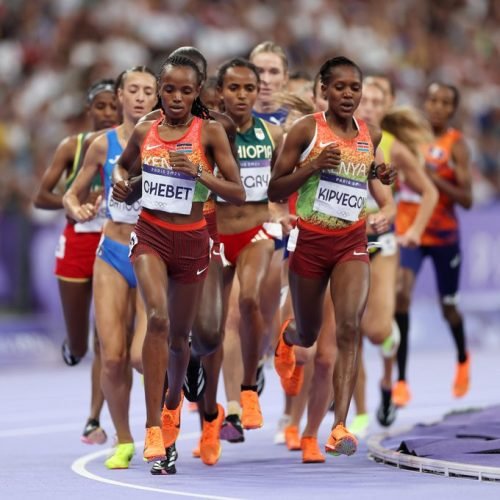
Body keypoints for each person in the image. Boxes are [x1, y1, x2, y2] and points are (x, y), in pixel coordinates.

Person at [112, 54, 245, 466]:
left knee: (181, 339)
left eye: (185, 91)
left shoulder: (210, 133)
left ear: (197, 92)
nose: (175, 97)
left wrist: (199, 173)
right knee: (157, 318)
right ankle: (153, 427)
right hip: (150, 235)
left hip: (192, 241)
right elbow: (122, 167)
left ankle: (172, 407)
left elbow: (237, 192)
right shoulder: (144, 129)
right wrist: (123, 185)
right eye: (168, 89)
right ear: (159, 89)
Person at [269, 56, 395, 457]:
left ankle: (338, 426)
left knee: (347, 328)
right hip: (310, 243)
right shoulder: (307, 129)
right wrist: (312, 166)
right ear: (323, 90)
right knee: (307, 335)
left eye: (354, 88)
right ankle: (287, 338)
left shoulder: (369, 135)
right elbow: (275, 189)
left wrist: (381, 176)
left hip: (351, 242)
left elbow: (363, 174)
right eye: (339, 87)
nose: (347, 94)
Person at [63, 66, 157, 469]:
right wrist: (78, 207)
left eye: (147, 91)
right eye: (132, 90)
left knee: (141, 357)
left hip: (153, 251)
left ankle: (158, 426)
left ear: (157, 98)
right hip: (113, 252)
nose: (139, 97)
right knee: (114, 357)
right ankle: (124, 439)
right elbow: (71, 192)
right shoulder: (102, 145)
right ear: (119, 95)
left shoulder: (169, 139)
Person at [350, 79, 438, 436]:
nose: (368, 106)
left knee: (374, 330)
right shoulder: (339, 137)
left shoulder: (393, 147)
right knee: (347, 329)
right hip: (344, 242)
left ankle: (388, 375)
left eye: (376, 101)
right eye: (363, 100)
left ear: (387, 106)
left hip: (383, 245)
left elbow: (428, 192)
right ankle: (356, 412)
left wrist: (413, 229)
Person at [33, 79, 119, 444]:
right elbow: (41, 197)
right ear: (89, 111)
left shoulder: (136, 143)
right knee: (82, 345)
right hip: (77, 242)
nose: (107, 113)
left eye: (113, 106)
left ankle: (94, 419)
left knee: (106, 337)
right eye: (100, 106)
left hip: (113, 242)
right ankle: (72, 345)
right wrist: (75, 201)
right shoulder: (74, 146)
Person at [214, 57, 283, 439]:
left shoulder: (273, 136)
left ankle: (248, 388)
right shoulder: (208, 133)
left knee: (250, 302)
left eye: (249, 88)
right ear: (220, 92)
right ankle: (229, 412)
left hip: (255, 232)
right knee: (216, 326)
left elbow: (283, 184)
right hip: (215, 235)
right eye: (234, 88)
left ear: (258, 92)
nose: (242, 95)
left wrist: (280, 208)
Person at [394, 82, 473, 406]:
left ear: (452, 110)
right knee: (401, 295)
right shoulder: (405, 141)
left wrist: (431, 179)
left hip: (443, 236)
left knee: (448, 308)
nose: (437, 107)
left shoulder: (456, 145)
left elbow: (467, 199)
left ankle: (462, 358)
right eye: (433, 100)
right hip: (410, 231)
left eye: (444, 103)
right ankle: (401, 380)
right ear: (424, 102)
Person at [250, 41, 290, 125]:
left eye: (274, 72)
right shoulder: (235, 120)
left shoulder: (297, 121)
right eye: (259, 71)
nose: (266, 80)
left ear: (285, 78)